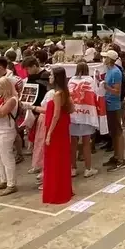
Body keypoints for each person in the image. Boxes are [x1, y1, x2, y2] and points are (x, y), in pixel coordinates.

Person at [43, 67, 74, 204]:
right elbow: (72, 109)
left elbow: (55, 115)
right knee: (62, 159)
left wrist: (49, 133)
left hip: (55, 129)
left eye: (51, 75)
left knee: (54, 160)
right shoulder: (65, 92)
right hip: (63, 129)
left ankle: (56, 191)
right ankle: (64, 188)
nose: (49, 77)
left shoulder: (57, 94)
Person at [68, 62, 99, 178]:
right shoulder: (90, 80)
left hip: (73, 115)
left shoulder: (71, 80)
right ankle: (88, 168)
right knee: (86, 143)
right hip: (87, 114)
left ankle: (73, 168)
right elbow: (97, 94)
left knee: (73, 143)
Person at [102, 50, 125, 169]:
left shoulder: (116, 72)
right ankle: (116, 156)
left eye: (105, 57)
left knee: (118, 132)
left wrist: (106, 87)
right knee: (113, 132)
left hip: (114, 105)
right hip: (108, 104)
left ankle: (121, 158)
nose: (103, 59)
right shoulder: (109, 70)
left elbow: (117, 91)